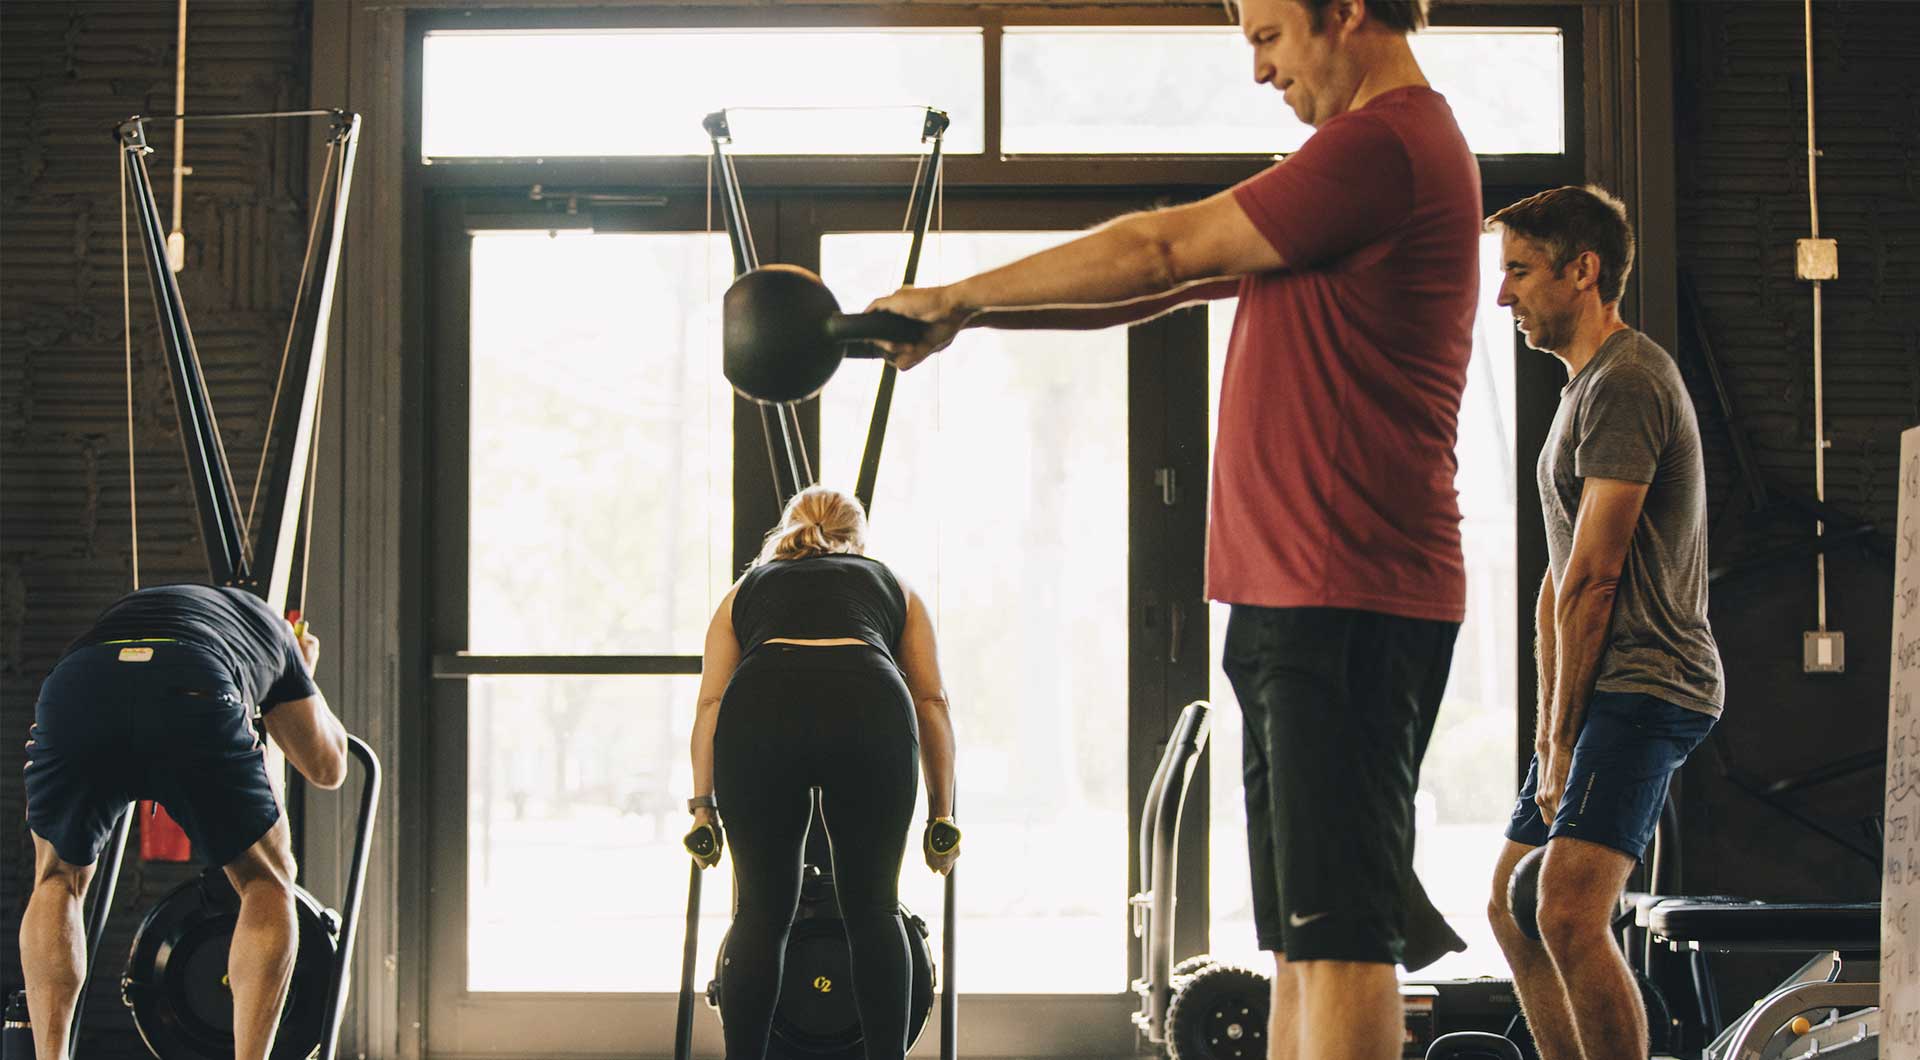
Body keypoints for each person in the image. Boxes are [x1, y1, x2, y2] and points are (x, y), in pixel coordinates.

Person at [866, 0, 1478, 1055]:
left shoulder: (1383, 145)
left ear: (1344, 11)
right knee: (1303, 941)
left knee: (1342, 943)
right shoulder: (1361, 158)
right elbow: (1159, 283)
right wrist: (971, 317)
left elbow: (1159, 246)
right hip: (1302, 599)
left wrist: (961, 292)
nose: (1259, 72)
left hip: (1346, 597)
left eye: (1268, 36)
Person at [1483, 185, 1723, 1060]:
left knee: (1567, 912)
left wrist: (1557, 741)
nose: (1501, 294)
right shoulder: (1584, 389)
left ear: (1582, 272)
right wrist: (1554, 725)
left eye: (1518, 271)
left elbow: (1595, 577)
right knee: (1515, 905)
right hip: (1606, 686)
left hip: (1650, 680)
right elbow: (1559, 581)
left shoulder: (1626, 380)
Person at [20, 583, 350, 1060]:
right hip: (193, 682)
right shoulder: (271, 629)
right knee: (267, 882)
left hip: (78, 686)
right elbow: (328, 766)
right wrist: (304, 674)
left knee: (57, 879)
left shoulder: (141, 607)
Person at [687, 485, 958, 1060]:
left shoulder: (743, 591)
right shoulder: (893, 585)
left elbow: (710, 704)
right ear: (857, 538)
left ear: (789, 531)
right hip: (868, 706)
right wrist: (942, 815)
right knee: (874, 908)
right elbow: (931, 700)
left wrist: (703, 805)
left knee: (760, 913)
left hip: (762, 709)